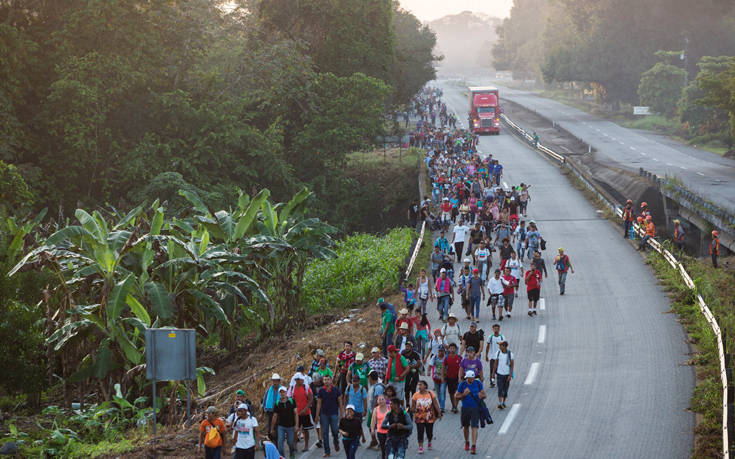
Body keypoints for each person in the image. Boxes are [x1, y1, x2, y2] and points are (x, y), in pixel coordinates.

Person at [455, 370, 486, 455]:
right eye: (469, 379)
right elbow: (456, 396)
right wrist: (464, 395)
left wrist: (481, 396)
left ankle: (473, 445)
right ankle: (467, 442)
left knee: (474, 426)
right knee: (465, 427)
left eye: (472, 379)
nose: (470, 380)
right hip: (465, 408)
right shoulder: (463, 384)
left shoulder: (478, 383)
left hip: (475, 408)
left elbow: (484, 395)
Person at [410, 380, 441, 454]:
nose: (419, 387)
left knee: (429, 432)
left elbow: (435, 404)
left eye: (421, 385)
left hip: (429, 417)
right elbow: (413, 407)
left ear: (425, 386)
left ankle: (429, 441)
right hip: (419, 417)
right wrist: (411, 411)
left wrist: (439, 413)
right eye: (418, 385)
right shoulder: (415, 395)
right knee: (420, 432)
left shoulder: (431, 394)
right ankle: (420, 447)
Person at [316, 375, 342, 457]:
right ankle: (327, 451)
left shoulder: (336, 390)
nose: (326, 381)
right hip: (324, 414)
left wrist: (341, 413)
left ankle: (336, 441)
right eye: (325, 380)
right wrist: (317, 415)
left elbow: (340, 402)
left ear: (331, 380)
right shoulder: (321, 391)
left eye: (328, 379)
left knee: (335, 431)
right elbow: (319, 403)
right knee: (325, 433)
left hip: (334, 413)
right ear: (323, 381)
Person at [272, 386, 298, 459]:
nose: (282, 393)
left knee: (290, 443)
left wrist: (296, 425)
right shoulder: (277, 403)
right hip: (281, 426)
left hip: (291, 426)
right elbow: (274, 416)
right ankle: (282, 457)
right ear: (279, 393)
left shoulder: (292, 401)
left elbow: (296, 413)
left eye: (284, 392)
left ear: (286, 392)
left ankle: (292, 452)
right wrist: (272, 428)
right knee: (280, 444)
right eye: (281, 392)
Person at [291, 373, 314, 452]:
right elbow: (290, 399)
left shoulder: (306, 387)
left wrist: (305, 409)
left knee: (305, 429)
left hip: (305, 412)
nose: (302, 380)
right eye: (300, 379)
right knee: (295, 429)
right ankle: (295, 446)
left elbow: (311, 399)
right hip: (296, 413)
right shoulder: (292, 388)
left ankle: (306, 446)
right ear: (296, 380)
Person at [492, 341, 514, 409]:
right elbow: (495, 364)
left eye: (501, 345)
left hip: (507, 374)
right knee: (500, 388)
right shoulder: (498, 353)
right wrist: (493, 373)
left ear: (504, 346)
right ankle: (500, 403)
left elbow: (512, 365)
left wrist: (510, 375)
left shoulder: (510, 354)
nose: (499, 347)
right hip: (499, 374)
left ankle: (503, 402)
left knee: (505, 389)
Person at [370, 394, 390, 459]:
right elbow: (373, 421)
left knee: (388, 447)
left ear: (385, 400)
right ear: (377, 401)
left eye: (382, 399)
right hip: (380, 432)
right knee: (383, 448)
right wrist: (372, 430)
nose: (381, 401)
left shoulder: (390, 407)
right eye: (379, 399)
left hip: (389, 432)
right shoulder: (376, 409)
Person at [262, 373, 282, 438]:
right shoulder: (268, 391)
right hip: (270, 411)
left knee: (278, 428)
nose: (275, 383)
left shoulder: (282, 390)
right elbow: (264, 401)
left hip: (279, 412)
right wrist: (264, 409)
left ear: (279, 381)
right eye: (273, 381)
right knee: (270, 428)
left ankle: (278, 442)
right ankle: (272, 441)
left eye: (276, 381)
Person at [444, 343, 462, 413]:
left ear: (456, 349)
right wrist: (443, 376)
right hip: (449, 378)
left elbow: (462, 368)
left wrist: (462, 377)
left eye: (453, 348)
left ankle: (455, 405)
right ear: (448, 349)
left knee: (457, 392)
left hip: (457, 378)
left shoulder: (459, 358)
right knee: (451, 393)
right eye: (450, 348)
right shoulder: (446, 358)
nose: (452, 349)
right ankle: (454, 406)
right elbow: (444, 368)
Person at [430, 346, 447, 413]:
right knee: (438, 393)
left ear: (444, 351)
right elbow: (430, 365)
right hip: (436, 377)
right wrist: (428, 371)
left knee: (442, 392)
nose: (440, 352)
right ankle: (441, 405)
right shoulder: (434, 357)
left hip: (444, 378)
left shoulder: (446, 358)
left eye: (442, 351)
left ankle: (442, 407)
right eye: (439, 351)